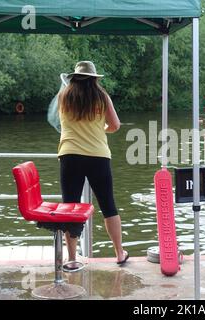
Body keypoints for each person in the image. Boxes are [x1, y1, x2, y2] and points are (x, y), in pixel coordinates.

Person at [54, 61, 128, 267]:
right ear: (94, 79)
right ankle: (120, 253)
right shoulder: (102, 97)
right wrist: (100, 130)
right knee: (108, 205)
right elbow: (115, 125)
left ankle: (71, 259)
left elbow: (64, 123)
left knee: (71, 206)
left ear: (75, 77)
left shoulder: (64, 96)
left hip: (70, 155)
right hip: (98, 156)